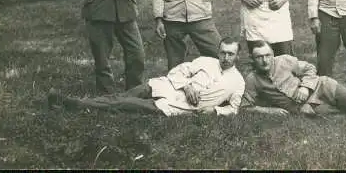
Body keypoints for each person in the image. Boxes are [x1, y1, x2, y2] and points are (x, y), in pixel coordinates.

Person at [48, 37, 245, 116]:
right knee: (122, 96)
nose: (225, 57)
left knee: (123, 104)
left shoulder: (237, 82)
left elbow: (234, 108)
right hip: (165, 87)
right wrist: (186, 85)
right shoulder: (206, 61)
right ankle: (75, 103)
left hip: (176, 106)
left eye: (230, 54)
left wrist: (216, 111)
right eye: (223, 52)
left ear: (238, 55)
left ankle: (74, 104)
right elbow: (177, 71)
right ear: (218, 51)